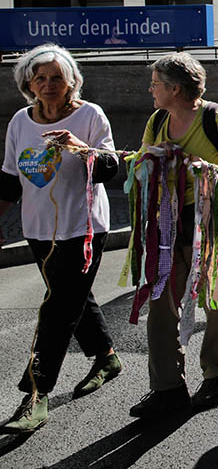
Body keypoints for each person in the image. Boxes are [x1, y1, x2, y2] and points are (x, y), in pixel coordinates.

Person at [133, 52, 218, 417]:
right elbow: (140, 165)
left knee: (214, 297)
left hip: (210, 217)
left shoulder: (213, 116)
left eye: (156, 84)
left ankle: (216, 372)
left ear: (175, 89)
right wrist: (155, 156)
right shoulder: (158, 119)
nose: (151, 89)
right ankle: (168, 387)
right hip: (167, 221)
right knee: (161, 302)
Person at [0, 46, 122, 433]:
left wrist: (78, 147)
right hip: (38, 230)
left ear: (72, 81)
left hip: (84, 229)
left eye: (56, 77)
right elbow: (8, 179)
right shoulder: (21, 121)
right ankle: (106, 356)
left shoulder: (89, 115)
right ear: (28, 84)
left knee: (57, 308)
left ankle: (36, 394)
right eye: (40, 78)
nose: (48, 85)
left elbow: (110, 168)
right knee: (74, 298)